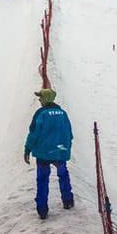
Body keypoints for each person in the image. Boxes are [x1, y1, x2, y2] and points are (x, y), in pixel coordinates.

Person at [24, 89, 74, 220]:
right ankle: (68, 200)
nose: (39, 99)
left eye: (41, 97)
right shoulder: (63, 114)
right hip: (60, 151)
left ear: (46, 98)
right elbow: (70, 133)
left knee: (42, 179)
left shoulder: (41, 114)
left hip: (43, 153)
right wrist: (66, 148)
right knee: (63, 174)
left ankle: (42, 210)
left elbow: (34, 133)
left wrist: (27, 149)